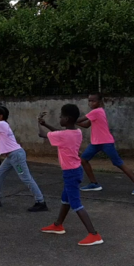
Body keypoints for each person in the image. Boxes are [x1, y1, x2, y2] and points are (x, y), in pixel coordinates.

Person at [37, 105, 103, 246]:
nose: (59, 118)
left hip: (70, 173)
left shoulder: (63, 135)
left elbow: (43, 135)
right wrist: (47, 124)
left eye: (61, 116)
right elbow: (59, 134)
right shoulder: (77, 132)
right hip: (75, 170)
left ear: (67, 119)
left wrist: (40, 124)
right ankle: (58, 225)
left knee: (75, 204)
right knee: (65, 199)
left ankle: (94, 234)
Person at [0, 106, 48, 212]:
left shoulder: (1, 124)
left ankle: (40, 202)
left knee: (26, 178)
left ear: (1, 116)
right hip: (11, 156)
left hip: (15, 156)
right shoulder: (1, 124)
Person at [77, 93, 134, 195]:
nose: (90, 103)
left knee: (118, 163)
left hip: (106, 142)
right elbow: (86, 125)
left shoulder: (97, 111)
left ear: (100, 102)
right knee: (83, 160)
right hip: (96, 143)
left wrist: (70, 119)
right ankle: (94, 183)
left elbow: (80, 120)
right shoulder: (96, 112)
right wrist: (73, 122)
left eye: (93, 101)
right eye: (89, 101)